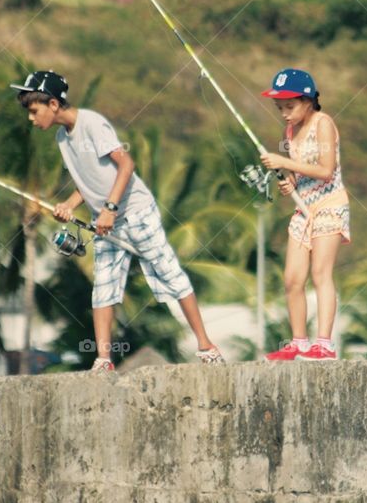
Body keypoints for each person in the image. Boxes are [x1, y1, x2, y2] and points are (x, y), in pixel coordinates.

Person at [11, 70, 224, 372]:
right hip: (105, 223)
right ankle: (104, 360)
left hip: (136, 212)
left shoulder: (92, 123)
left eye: (34, 111)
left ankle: (206, 346)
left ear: (54, 105)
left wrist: (110, 207)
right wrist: (68, 205)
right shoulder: (62, 138)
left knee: (171, 275)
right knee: (104, 289)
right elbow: (84, 183)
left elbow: (126, 164)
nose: (32, 119)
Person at [258, 68, 350, 361]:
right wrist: (290, 183)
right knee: (292, 279)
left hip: (330, 206)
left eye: (290, 106)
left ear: (308, 100)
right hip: (304, 209)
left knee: (321, 273)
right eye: (279, 108)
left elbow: (325, 170)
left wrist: (284, 161)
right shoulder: (290, 131)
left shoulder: (323, 124)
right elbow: (301, 171)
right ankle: (299, 342)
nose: (284, 113)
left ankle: (324, 344)